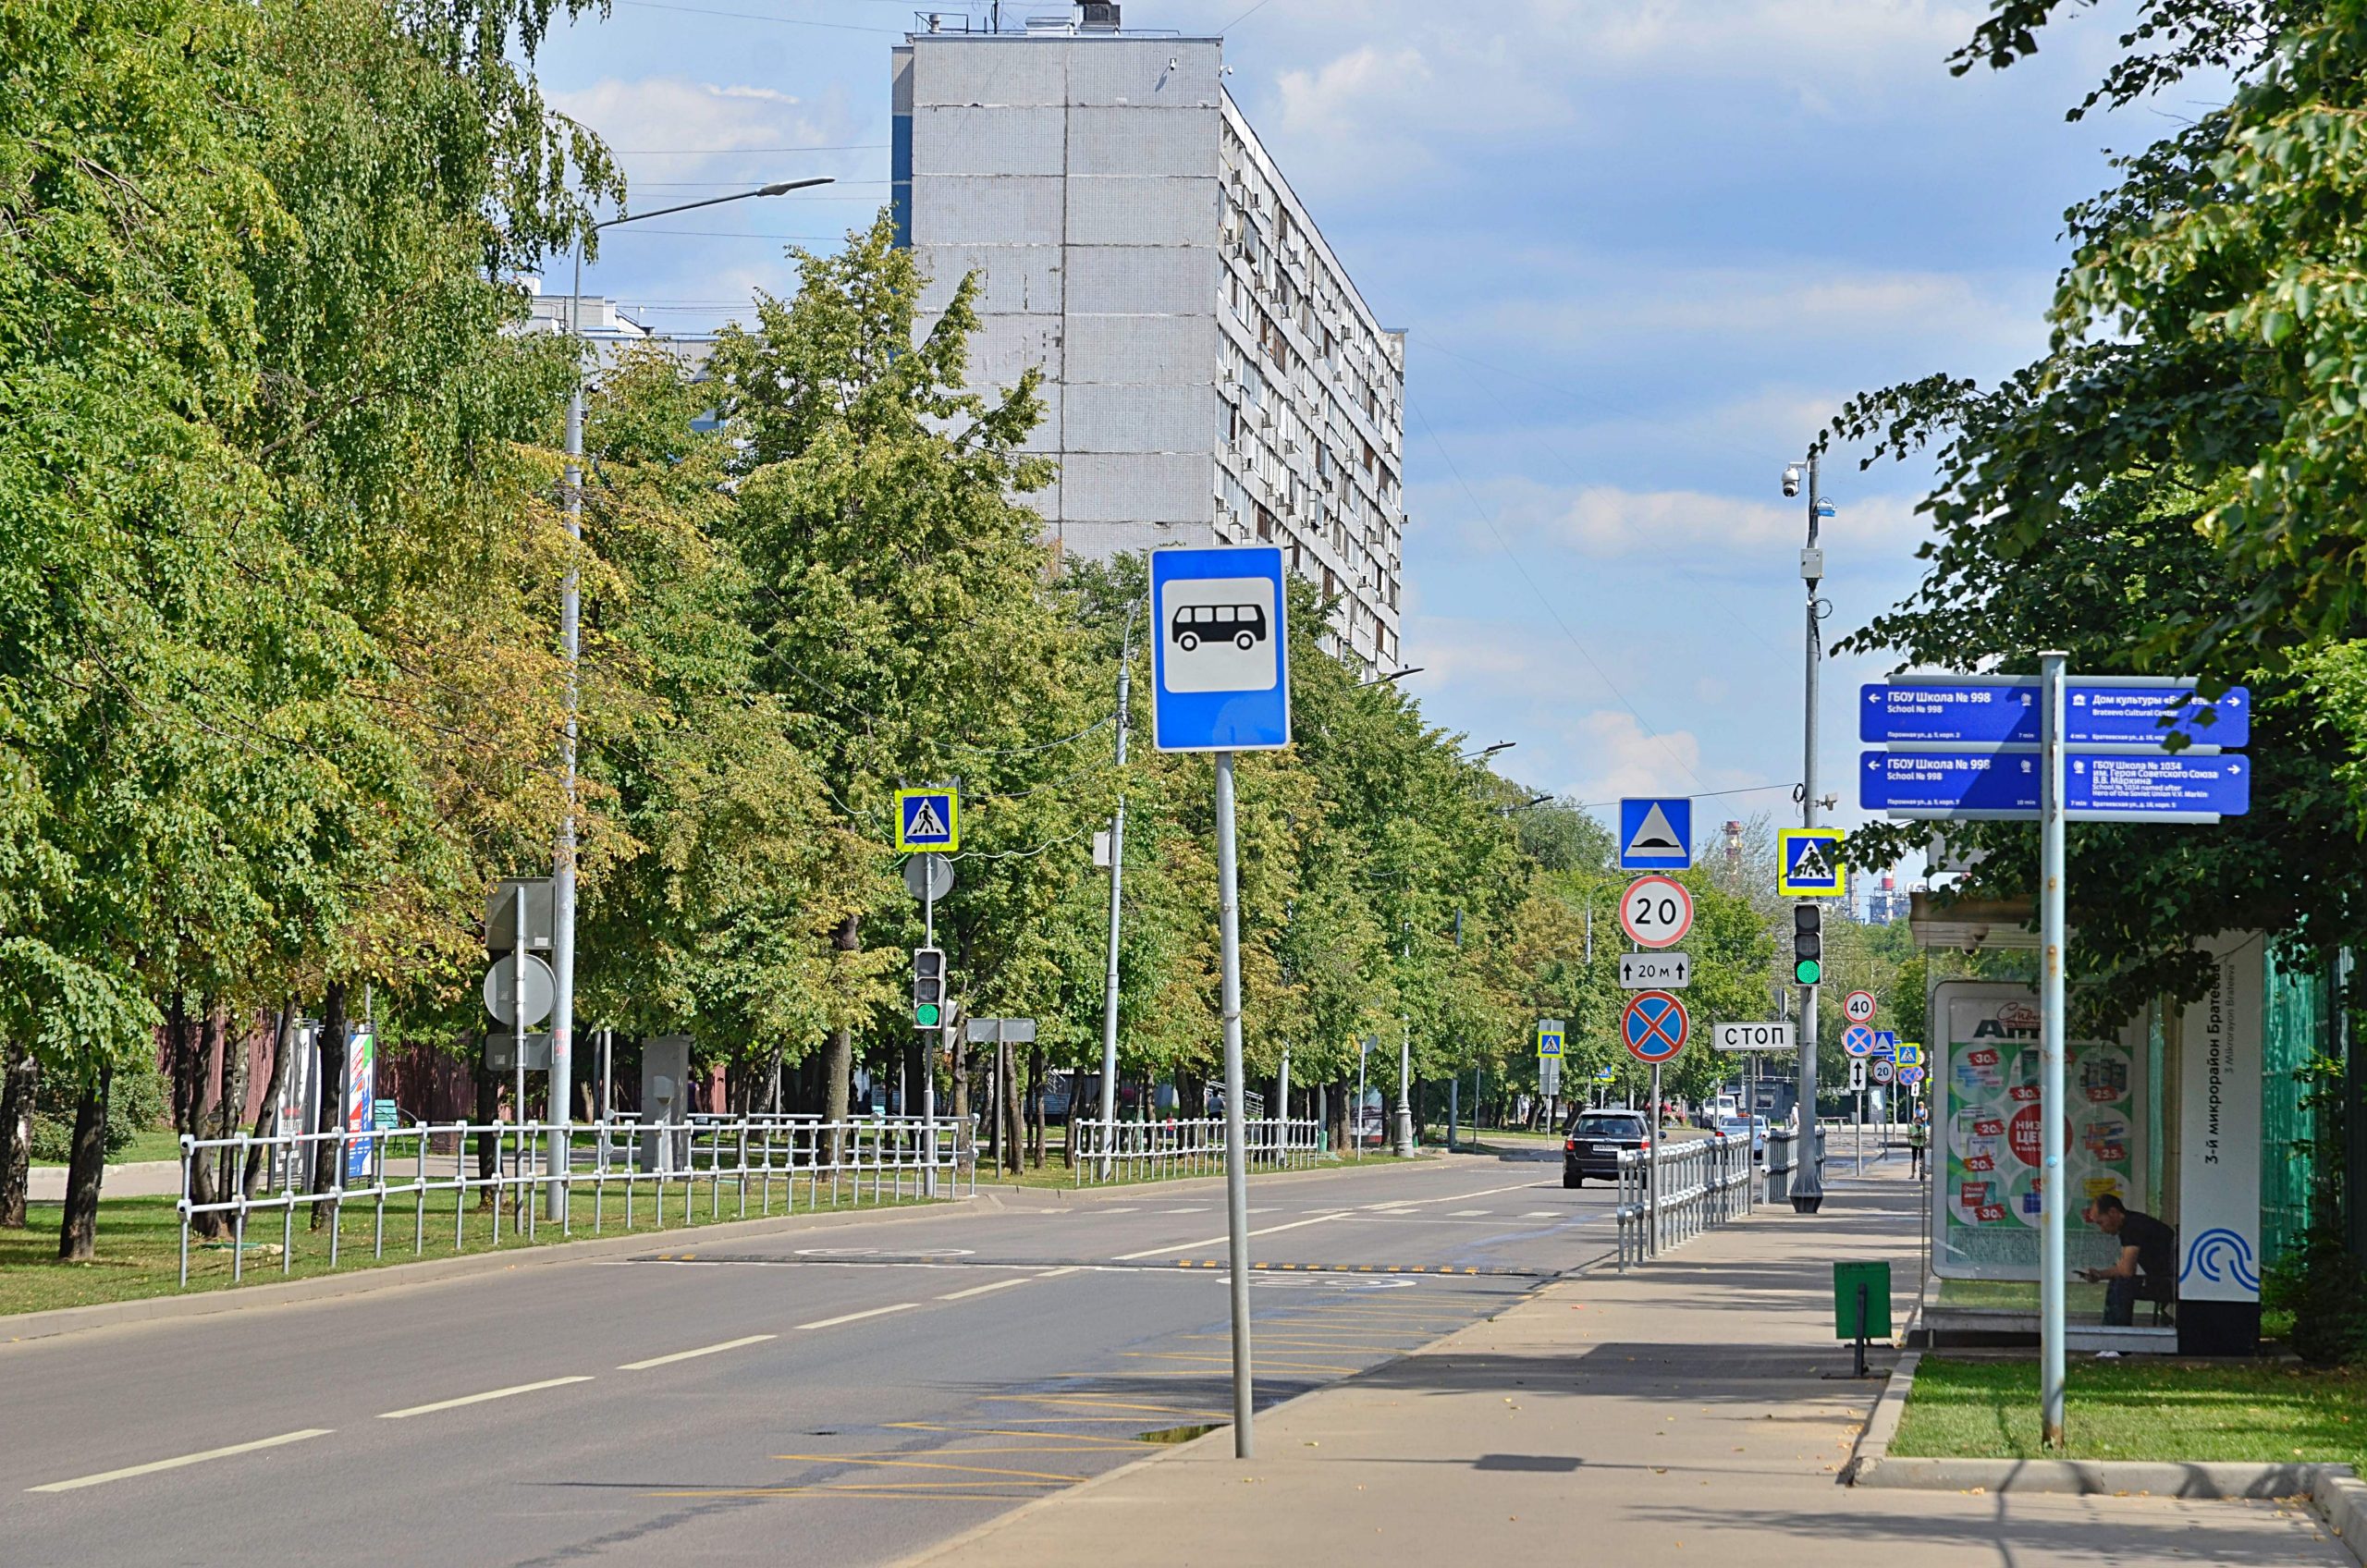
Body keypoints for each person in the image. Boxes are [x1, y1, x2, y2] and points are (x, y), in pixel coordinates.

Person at [2079, 1194, 2177, 1326]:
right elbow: (2124, 1268)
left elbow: (2127, 1271)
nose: (2102, 1229)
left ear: (2113, 1212)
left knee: (2123, 1285)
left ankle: (2115, 1334)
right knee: (2119, 1281)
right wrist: (2101, 1274)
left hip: (2172, 1283)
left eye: (2101, 1222)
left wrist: (2104, 1274)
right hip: (2169, 1280)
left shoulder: (2132, 1228)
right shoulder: (2133, 1223)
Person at [1906, 1105, 1929, 1178]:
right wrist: (1912, 1136)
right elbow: (1908, 1136)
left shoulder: (1923, 1128)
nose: (1918, 1123)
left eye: (1919, 1122)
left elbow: (1926, 1138)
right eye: (1916, 1122)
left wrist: (1922, 1136)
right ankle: (1913, 1173)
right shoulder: (1911, 1128)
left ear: (1921, 1123)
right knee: (1914, 1159)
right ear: (1914, 1122)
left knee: (1922, 1159)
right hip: (1914, 1144)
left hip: (1921, 1144)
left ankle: (1923, 1173)